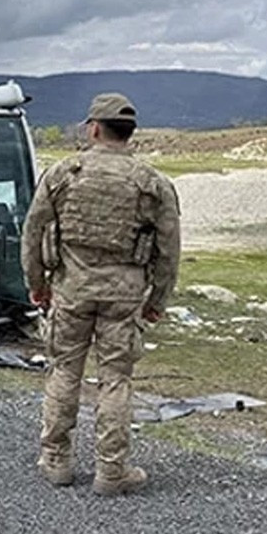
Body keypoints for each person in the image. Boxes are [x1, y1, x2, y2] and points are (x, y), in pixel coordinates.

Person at [22, 93, 180, 497]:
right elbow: (169, 248)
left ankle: (56, 460)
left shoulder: (62, 174)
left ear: (93, 128)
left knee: (64, 371)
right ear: (130, 134)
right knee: (116, 381)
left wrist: (37, 284)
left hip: (71, 290)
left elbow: (33, 232)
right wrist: (157, 300)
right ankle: (111, 471)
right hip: (124, 297)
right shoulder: (153, 183)